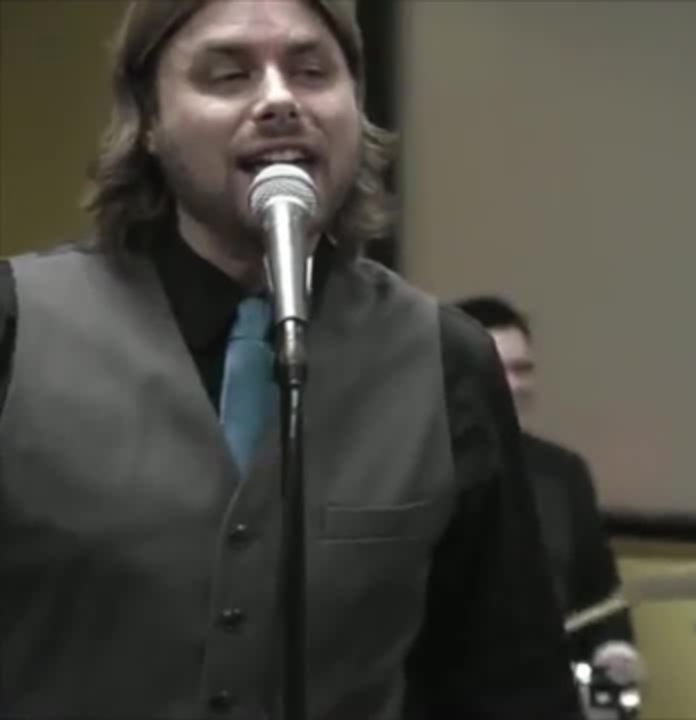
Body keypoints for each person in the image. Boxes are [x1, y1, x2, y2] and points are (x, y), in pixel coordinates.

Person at [0, 1, 584, 718]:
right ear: (149, 119)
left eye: (311, 72)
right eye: (229, 75)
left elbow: (509, 685)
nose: (279, 100)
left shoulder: (444, 359)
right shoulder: (19, 323)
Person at [454, 296, 644, 687]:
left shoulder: (564, 474)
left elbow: (600, 595)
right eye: (495, 369)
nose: (512, 384)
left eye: (521, 369)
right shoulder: (404, 475)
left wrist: (615, 653)